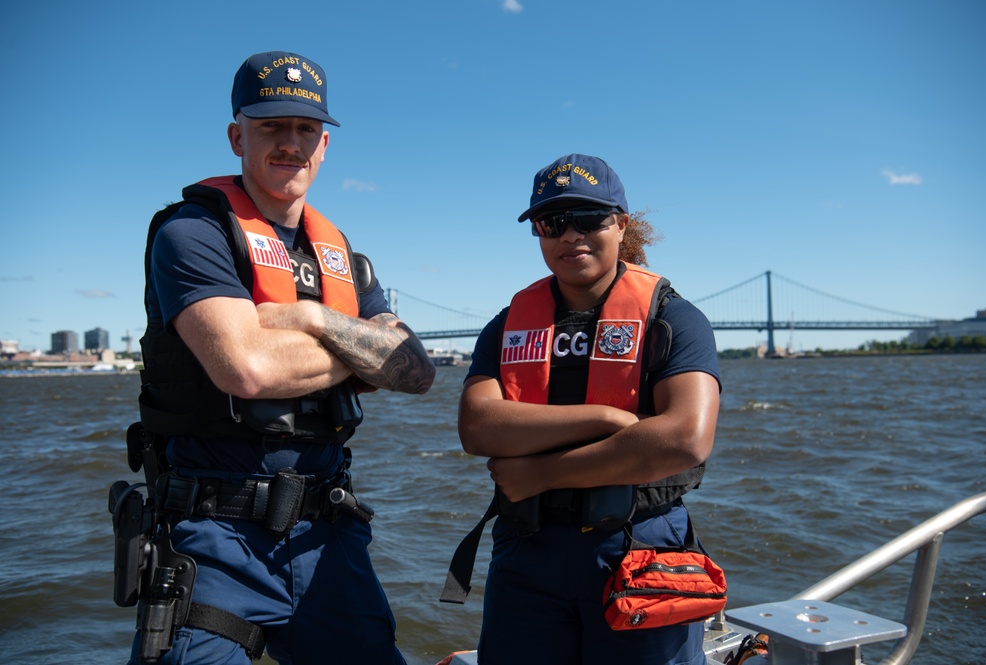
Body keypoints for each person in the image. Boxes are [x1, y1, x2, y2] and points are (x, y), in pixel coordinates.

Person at [128, 51, 435, 664]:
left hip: (329, 534)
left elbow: (415, 370)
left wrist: (312, 317)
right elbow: (247, 369)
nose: (291, 144)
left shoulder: (342, 259)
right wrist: (360, 345)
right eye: (271, 126)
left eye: (307, 129)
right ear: (237, 136)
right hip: (214, 536)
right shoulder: (192, 234)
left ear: (324, 146)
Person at [450, 154, 720, 664]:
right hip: (528, 550)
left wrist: (543, 474)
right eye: (552, 223)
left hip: (640, 548)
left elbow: (685, 438)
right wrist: (608, 419)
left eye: (589, 219)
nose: (570, 235)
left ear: (620, 223)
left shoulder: (675, 320)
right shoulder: (508, 324)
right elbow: (478, 426)